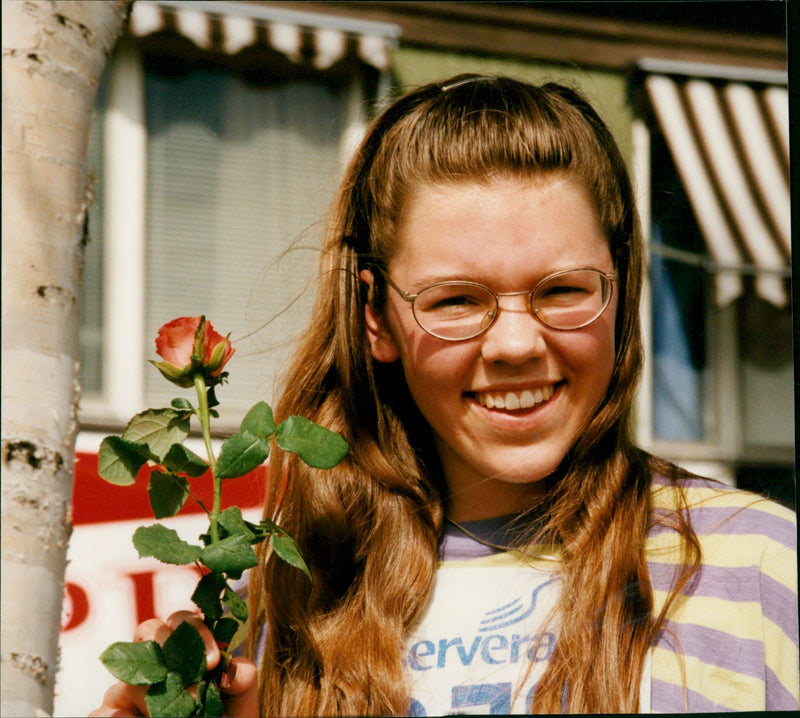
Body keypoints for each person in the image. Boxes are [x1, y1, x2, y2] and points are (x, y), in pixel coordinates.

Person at [91, 74, 798, 716]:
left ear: (621, 290)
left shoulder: (760, 566)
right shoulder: (287, 606)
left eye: (563, 290)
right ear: (377, 318)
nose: (516, 343)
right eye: (456, 300)